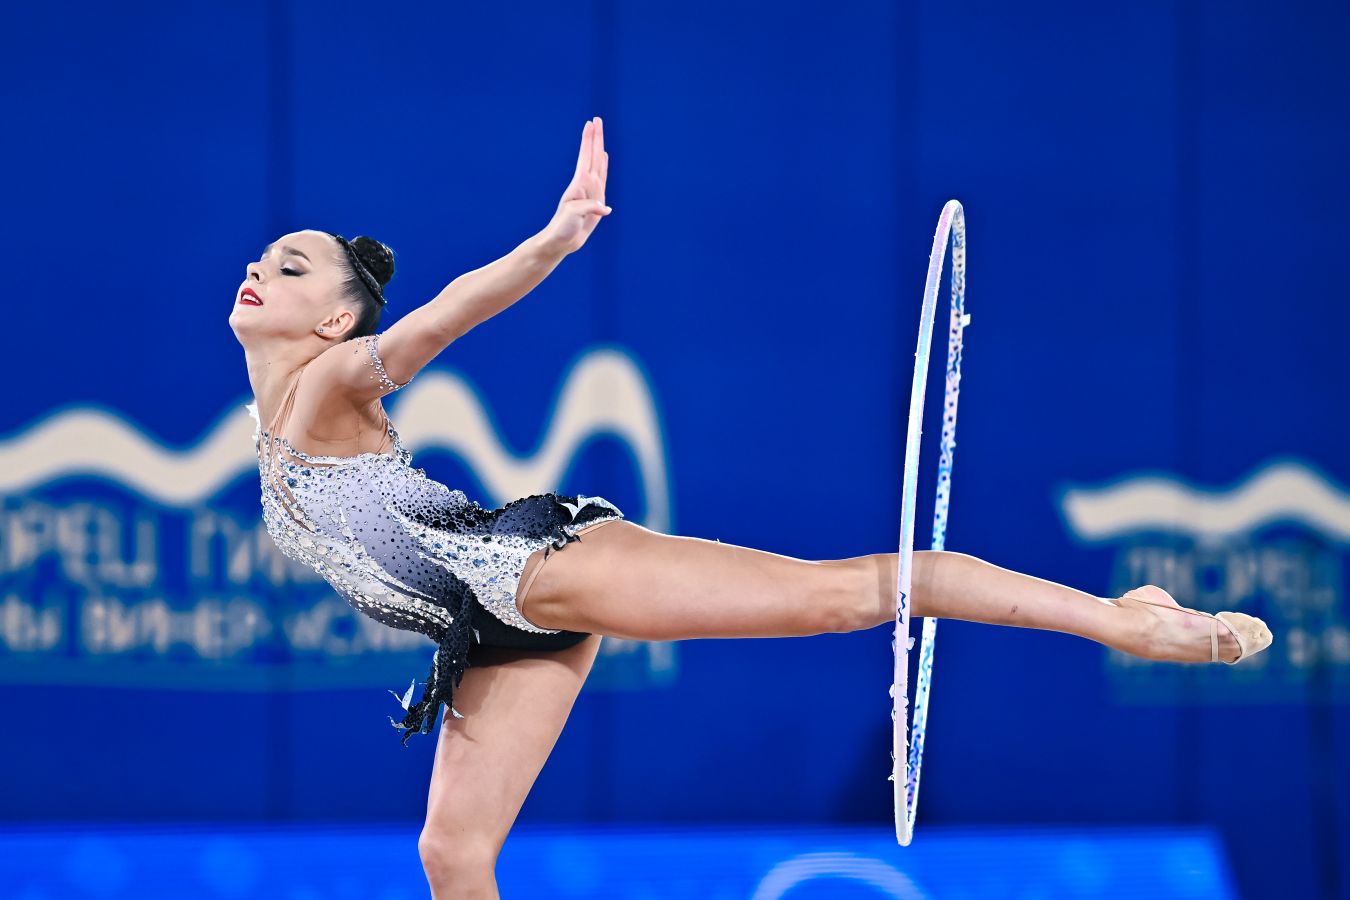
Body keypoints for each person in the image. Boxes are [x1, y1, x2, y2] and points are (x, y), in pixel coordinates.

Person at [229, 116, 1272, 898]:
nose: (256, 270)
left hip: (534, 568)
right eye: (262, 258)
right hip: (484, 628)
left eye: (289, 266)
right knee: (452, 853)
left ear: (333, 322)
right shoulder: (277, 422)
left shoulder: (327, 388)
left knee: (844, 597)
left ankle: (1128, 623)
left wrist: (552, 242)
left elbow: (437, 321)